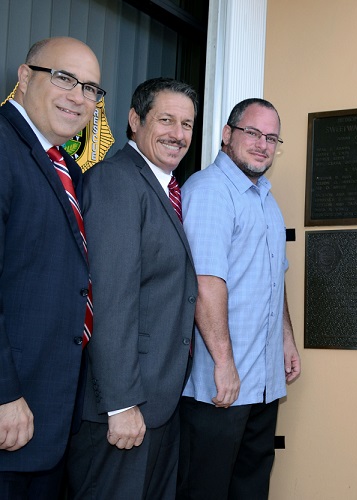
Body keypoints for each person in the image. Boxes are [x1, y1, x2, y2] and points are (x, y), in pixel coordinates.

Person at [66, 77, 199, 499]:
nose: (178, 134)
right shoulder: (117, 180)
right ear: (134, 120)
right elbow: (111, 299)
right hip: (124, 408)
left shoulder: (163, 188)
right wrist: (121, 404)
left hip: (159, 401)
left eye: (188, 124)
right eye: (166, 120)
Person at [177, 98, 301, 500]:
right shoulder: (210, 191)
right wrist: (225, 364)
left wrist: (285, 338)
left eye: (272, 138)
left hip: (262, 382)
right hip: (220, 387)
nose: (263, 144)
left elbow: (273, 277)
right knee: (207, 490)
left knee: (250, 486)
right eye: (253, 133)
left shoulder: (264, 198)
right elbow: (205, 284)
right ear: (227, 134)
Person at [0, 37, 100, 498]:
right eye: (64, 78)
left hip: (49, 415)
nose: (78, 97)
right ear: (24, 77)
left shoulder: (66, 168)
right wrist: (3, 394)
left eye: (91, 88)